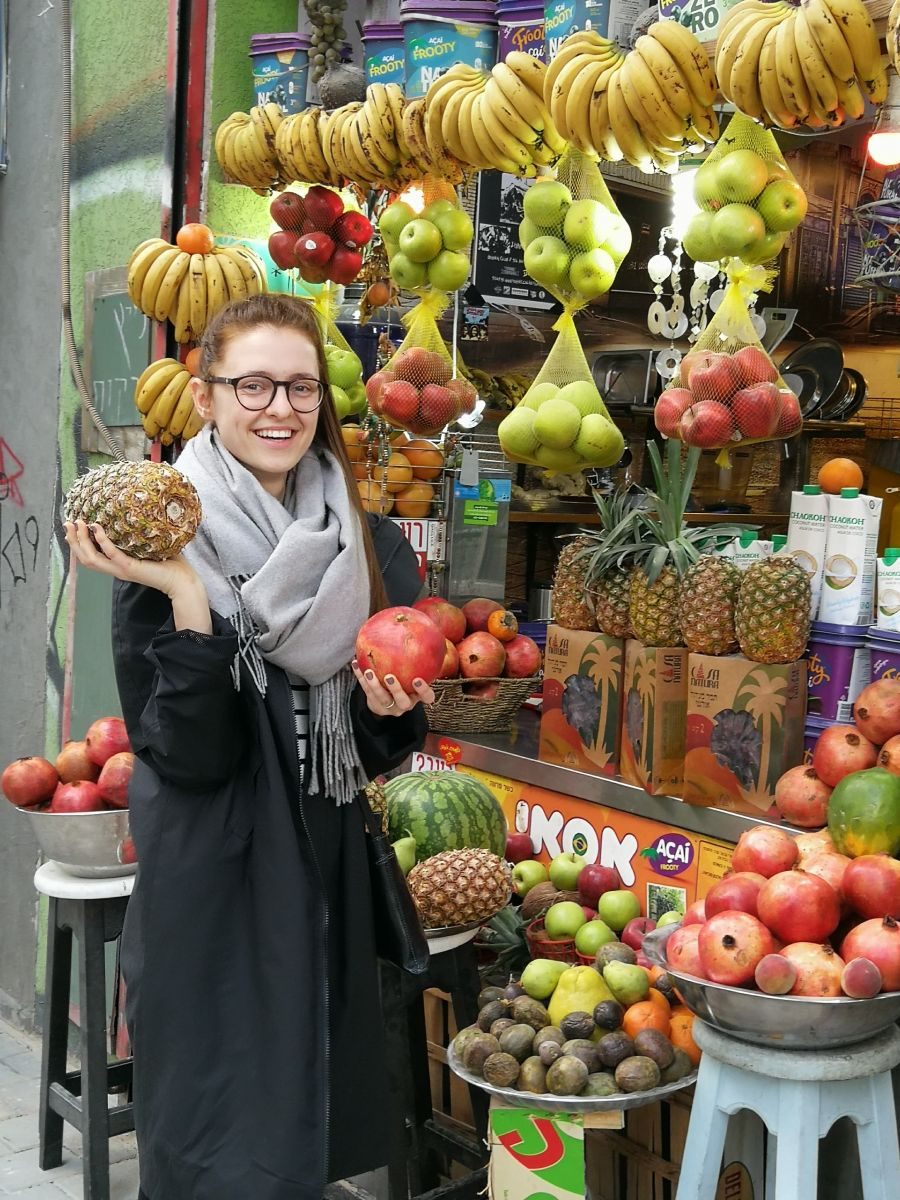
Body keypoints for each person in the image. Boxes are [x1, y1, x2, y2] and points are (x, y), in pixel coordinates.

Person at [64, 293, 434, 1200]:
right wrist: (188, 599)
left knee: (301, 1123)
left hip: (324, 863)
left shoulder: (371, 543)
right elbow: (186, 757)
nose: (280, 409)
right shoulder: (163, 538)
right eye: (254, 385)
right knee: (213, 1128)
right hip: (217, 868)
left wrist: (388, 711)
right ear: (207, 398)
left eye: (301, 388)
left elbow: (370, 745)